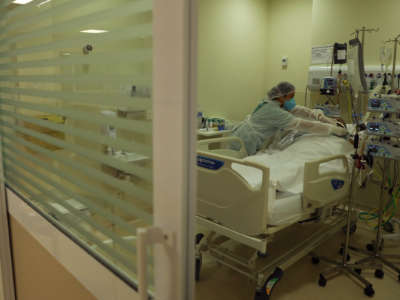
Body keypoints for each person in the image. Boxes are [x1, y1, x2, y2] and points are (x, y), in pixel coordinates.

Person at [232, 81, 348, 156]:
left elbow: (301, 110)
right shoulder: (274, 111)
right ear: (281, 96)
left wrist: (322, 117)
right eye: (291, 97)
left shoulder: (274, 103)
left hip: (245, 136)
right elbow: (304, 125)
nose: (292, 100)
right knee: (236, 168)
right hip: (245, 141)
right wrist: (333, 129)